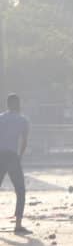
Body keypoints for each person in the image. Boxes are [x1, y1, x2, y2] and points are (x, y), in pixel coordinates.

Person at [0, 94, 30, 234]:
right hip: (12, 156)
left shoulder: (1, 118)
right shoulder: (23, 120)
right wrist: (20, 157)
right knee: (20, 191)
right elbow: (24, 141)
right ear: (18, 104)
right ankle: (17, 225)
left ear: (7, 104)